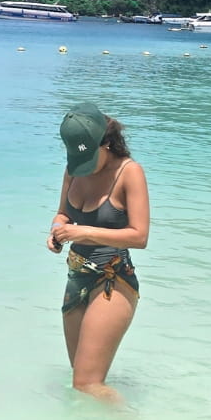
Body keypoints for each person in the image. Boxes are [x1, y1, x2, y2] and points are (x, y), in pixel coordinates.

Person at [47, 102, 149, 403]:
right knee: (79, 376)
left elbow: (139, 236)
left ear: (105, 143)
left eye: (88, 157)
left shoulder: (129, 172)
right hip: (77, 277)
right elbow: (63, 213)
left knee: (87, 383)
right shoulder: (74, 169)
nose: (84, 165)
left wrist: (83, 233)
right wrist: (56, 230)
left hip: (112, 279)